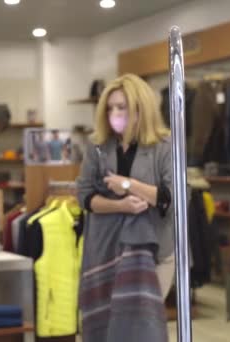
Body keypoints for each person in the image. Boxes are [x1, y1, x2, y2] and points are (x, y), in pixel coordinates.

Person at [76, 74, 174, 341]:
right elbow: (85, 197)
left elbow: (172, 197)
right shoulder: (97, 146)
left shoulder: (164, 146)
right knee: (106, 325)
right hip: (104, 249)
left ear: (140, 108)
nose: (114, 113)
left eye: (121, 107)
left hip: (154, 250)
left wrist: (129, 185)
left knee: (141, 325)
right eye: (110, 107)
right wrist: (120, 205)